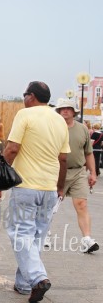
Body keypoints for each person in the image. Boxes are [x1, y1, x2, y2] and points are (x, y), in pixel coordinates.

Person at [2, 81, 70, 302]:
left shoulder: (25, 115)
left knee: (21, 234)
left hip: (26, 187)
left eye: (24, 95)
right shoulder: (60, 120)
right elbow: (63, 158)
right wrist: (60, 186)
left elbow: (12, 148)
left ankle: (38, 278)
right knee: (36, 236)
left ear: (31, 96)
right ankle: (23, 284)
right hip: (49, 188)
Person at [55, 100, 99, 253]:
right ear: (59, 111)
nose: (65, 111)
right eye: (62, 109)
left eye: (69, 109)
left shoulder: (82, 129)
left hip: (78, 171)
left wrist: (92, 173)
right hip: (57, 171)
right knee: (50, 207)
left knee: (81, 204)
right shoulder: (54, 127)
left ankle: (87, 239)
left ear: (74, 112)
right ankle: (43, 234)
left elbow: (88, 153)